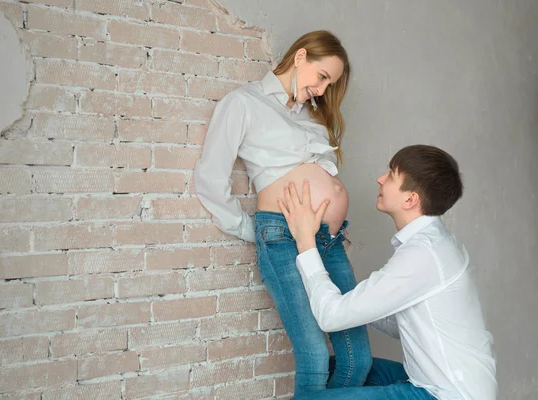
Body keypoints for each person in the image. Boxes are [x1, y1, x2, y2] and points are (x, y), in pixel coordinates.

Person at [193, 30, 372, 394]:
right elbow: (210, 176)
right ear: (301, 56)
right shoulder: (244, 102)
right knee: (314, 357)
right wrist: (250, 228)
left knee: (358, 360)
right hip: (284, 237)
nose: (323, 90)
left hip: (329, 241)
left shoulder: (312, 115)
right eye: (322, 77)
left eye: (330, 83)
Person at [276, 144, 497, 400]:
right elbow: (399, 323)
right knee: (334, 367)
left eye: (391, 175)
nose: (380, 179)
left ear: (410, 199)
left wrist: (305, 242)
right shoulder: (434, 243)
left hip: (445, 395)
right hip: (441, 385)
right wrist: (356, 297)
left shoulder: (423, 254)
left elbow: (330, 318)